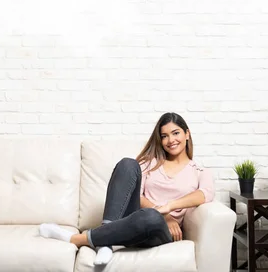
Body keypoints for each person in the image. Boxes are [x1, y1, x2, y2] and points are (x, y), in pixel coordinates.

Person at [39, 112, 215, 265]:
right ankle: (105, 242)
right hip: (132, 219)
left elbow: (204, 194)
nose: (170, 140)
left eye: (175, 133)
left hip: (157, 230)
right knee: (128, 164)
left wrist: (169, 210)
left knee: (151, 217)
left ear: (187, 134)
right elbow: (136, 195)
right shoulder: (150, 163)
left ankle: (76, 239)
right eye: (164, 136)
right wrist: (162, 212)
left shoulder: (199, 171)